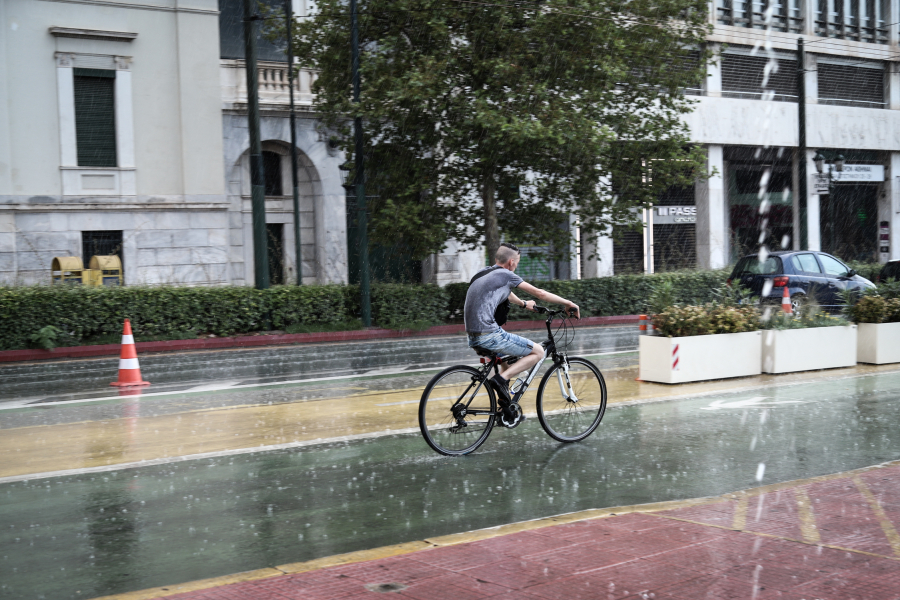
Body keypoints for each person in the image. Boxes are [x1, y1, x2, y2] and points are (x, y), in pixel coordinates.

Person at [464, 242, 580, 414]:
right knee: (539, 352)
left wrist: (523, 304)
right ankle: (500, 380)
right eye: (517, 262)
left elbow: (505, 291)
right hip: (489, 334)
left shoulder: (485, 272)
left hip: (473, 336)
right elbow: (540, 294)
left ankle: (507, 409)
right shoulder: (506, 274)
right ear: (511, 262)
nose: (516, 266)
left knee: (504, 360)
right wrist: (568, 303)